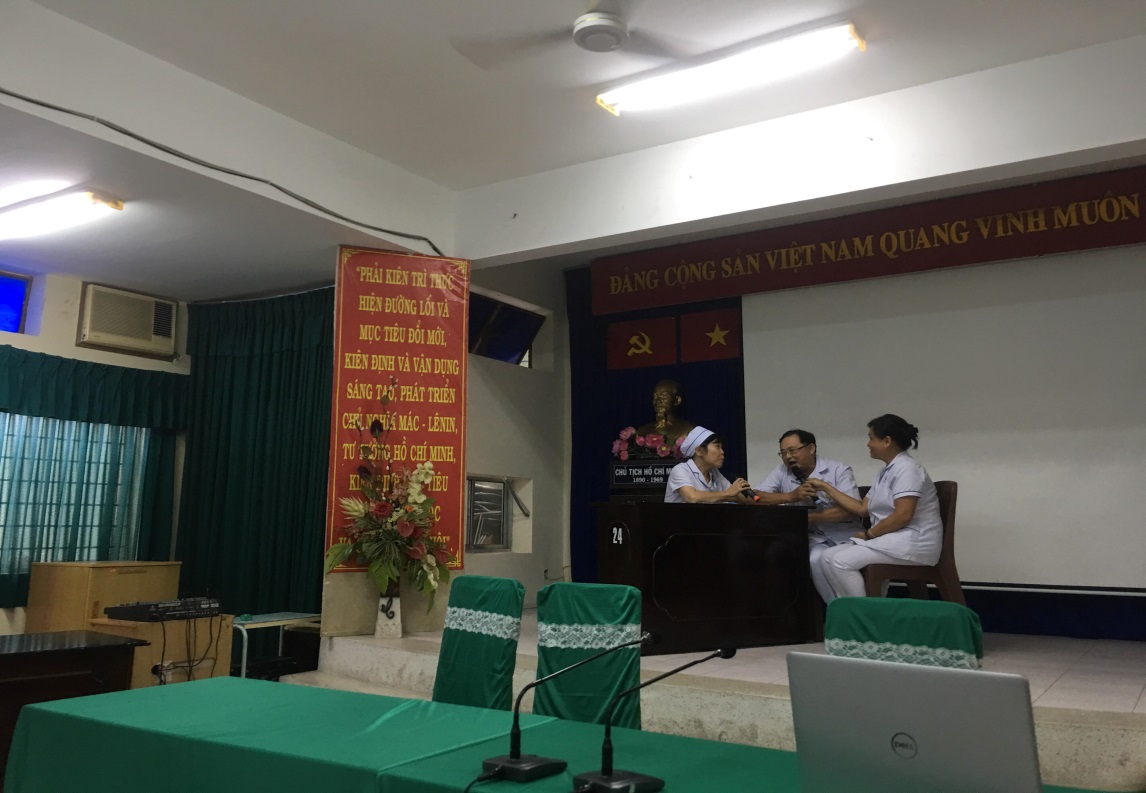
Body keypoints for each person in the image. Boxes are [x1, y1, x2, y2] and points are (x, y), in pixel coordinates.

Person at [809, 414, 943, 601]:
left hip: (914, 543)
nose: (868, 444)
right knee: (826, 557)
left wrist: (869, 534)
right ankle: (848, 613)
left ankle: (865, 614)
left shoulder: (907, 468)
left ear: (887, 441)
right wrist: (825, 487)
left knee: (840, 561)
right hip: (892, 540)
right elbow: (861, 508)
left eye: (871, 438)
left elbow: (903, 515)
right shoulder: (885, 472)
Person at [753, 429, 861, 604]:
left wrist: (812, 518)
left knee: (836, 561)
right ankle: (836, 608)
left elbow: (853, 509)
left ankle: (855, 609)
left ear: (811, 448)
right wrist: (791, 496)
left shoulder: (838, 470)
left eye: (792, 450)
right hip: (813, 538)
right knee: (814, 559)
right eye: (783, 453)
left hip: (846, 534)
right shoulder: (782, 471)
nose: (788, 457)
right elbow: (754, 496)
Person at [664, 425, 753, 504]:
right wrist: (727, 494)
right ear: (699, 451)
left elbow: (741, 499)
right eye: (717, 447)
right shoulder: (681, 470)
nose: (722, 452)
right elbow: (692, 497)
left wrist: (735, 491)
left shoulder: (714, 473)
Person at [637, 379, 695, 446]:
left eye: (664, 396)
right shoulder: (642, 431)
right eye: (655, 397)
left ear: (677, 400)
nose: (658, 401)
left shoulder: (689, 430)